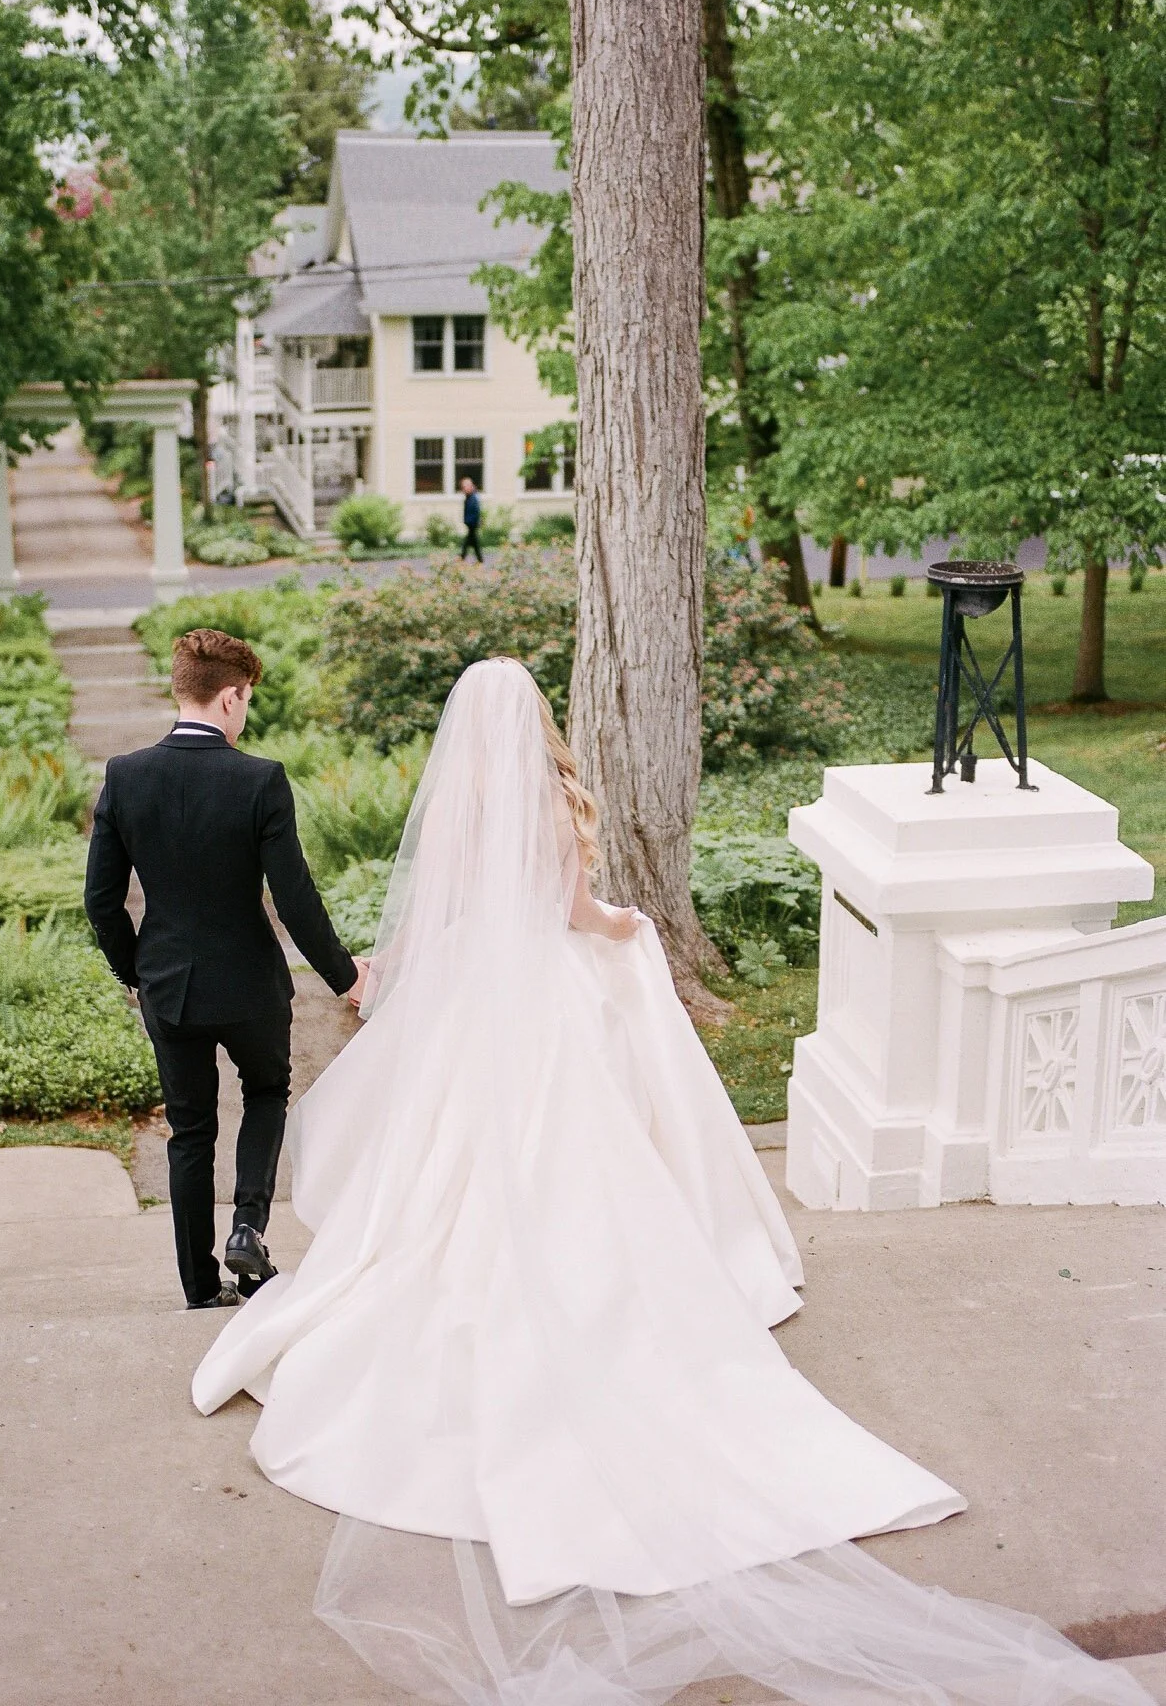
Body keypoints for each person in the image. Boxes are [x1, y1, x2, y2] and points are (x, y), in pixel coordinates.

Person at [192, 660, 1147, 1706]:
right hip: (545, 1000)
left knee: (448, 1167)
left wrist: (392, 983)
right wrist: (629, 926)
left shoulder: (461, 807)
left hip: (474, 1002)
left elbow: (428, 918)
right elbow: (571, 915)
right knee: (574, 1153)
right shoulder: (547, 801)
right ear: (534, 721)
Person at [84, 628, 367, 1311]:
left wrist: (136, 974)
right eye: (247, 701)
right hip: (249, 986)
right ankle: (247, 1226)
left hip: (168, 987)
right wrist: (345, 976)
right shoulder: (259, 779)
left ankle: (197, 1283)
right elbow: (293, 898)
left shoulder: (126, 775)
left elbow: (101, 902)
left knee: (190, 1129)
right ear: (231, 696)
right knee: (267, 1092)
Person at [458, 473, 483, 562]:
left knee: (468, 541)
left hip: (472, 523)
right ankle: (479, 559)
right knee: (473, 542)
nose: (464, 489)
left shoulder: (473, 498)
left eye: (465, 487)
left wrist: (471, 521)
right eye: (463, 487)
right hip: (470, 523)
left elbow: (475, 512)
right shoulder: (469, 497)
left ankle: (462, 558)